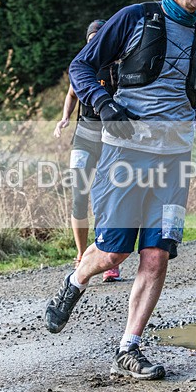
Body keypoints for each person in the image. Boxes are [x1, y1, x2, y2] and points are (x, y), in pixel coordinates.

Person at [44, 0, 196, 380]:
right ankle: (75, 281)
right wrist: (104, 104)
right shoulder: (135, 18)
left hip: (175, 160)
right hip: (125, 154)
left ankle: (128, 347)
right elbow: (81, 67)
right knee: (114, 252)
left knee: (156, 254)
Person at [53, 20, 122, 282]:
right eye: (91, 40)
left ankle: (107, 257)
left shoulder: (117, 68)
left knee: (105, 199)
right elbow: (72, 94)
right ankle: (82, 255)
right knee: (79, 197)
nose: (95, 44)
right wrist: (64, 118)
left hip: (109, 141)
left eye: (99, 39)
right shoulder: (82, 65)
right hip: (83, 137)